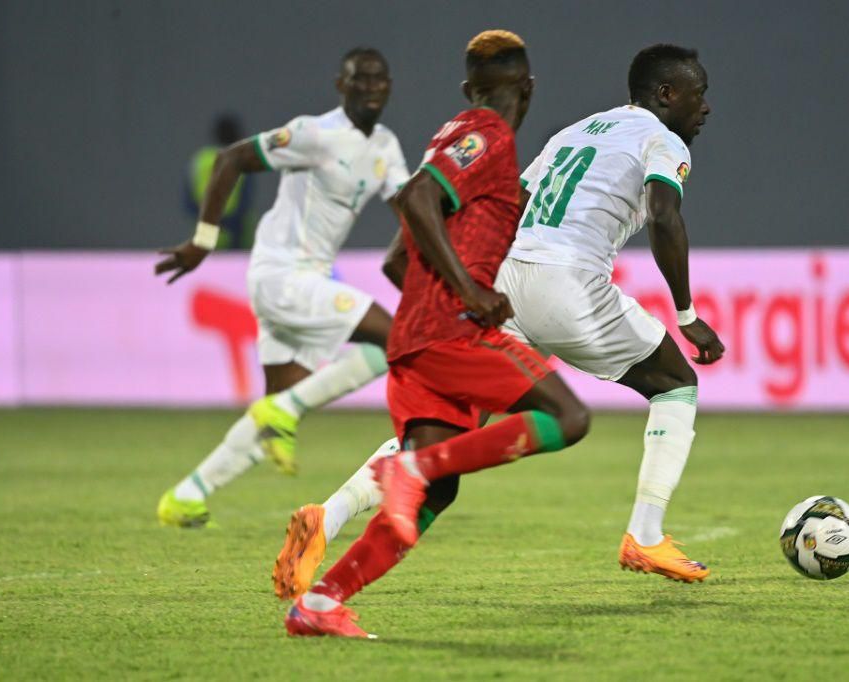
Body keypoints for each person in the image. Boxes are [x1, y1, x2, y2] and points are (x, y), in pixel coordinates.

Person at [270, 44, 726, 612]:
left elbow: (519, 199)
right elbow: (664, 214)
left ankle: (328, 513)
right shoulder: (665, 140)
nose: (706, 107)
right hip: (570, 283)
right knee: (675, 384)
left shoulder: (574, 132)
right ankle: (647, 533)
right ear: (665, 94)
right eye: (699, 93)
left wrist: (476, 284)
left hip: (509, 278)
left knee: (452, 430)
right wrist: (687, 316)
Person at [272, 29, 591, 639]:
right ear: (528, 87)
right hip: (452, 332)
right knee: (569, 418)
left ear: (471, 87)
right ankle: (410, 470)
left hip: (417, 340)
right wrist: (467, 294)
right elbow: (415, 198)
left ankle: (319, 604)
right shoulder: (489, 136)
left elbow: (399, 257)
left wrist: (429, 300)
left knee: (435, 497)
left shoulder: (454, 142)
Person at [154, 47, 410, 528]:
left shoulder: (385, 147)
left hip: (307, 282)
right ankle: (286, 408)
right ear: (341, 84)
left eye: (380, 79)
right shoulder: (315, 133)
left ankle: (187, 495)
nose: (371, 86)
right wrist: (203, 241)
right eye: (360, 79)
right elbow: (231, 159)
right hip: (282, 275)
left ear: (389, 86)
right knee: (396, 339)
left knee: (271, 412)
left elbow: (409, 207)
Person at [184, 114, 256, 249]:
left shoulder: (200, 160)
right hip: (236, 232)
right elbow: (246, 200)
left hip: (204, 232)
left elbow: (188, 201)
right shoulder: (241, 159)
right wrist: (228, 223)